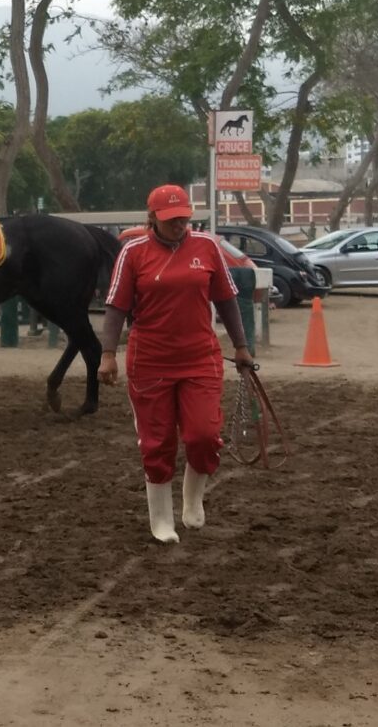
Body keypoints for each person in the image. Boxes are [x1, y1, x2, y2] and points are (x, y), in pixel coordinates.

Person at [97, 184, 254, 544]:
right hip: (150, 361)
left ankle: (193, 498)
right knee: (157, 441)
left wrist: (241, 347)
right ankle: (161, 519)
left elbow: (226, 300)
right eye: (170, 219)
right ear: (152, 217)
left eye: (183, 217)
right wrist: (108, 355)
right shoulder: (133, 252)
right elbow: (116, 306)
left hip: (200, 358)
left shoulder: (207, 247)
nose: (179, 224)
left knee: (204, 435)